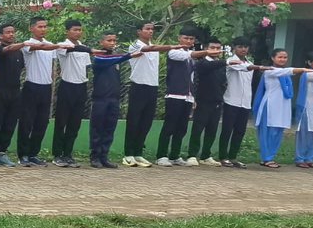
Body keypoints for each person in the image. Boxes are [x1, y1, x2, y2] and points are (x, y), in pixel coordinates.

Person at [154, 30, 221, 166]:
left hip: (188, 97)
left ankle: (174, 155)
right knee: (169, 127)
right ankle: (161, 155)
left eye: (191, 39)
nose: (189, 41)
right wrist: (207, 52)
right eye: (186, 38)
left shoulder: (191, 60)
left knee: (181, 128)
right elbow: (191, 54)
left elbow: (192, 78)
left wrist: (193, 97)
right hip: (174, 95)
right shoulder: (174, 52)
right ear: (179, 38)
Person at [122, 22, 174, 167]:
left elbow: (153, 48)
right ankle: (128, 154)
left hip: (152, 87)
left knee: (146, 122)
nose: (151, 31)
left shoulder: (154, 48)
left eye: (152, 29)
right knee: (134, 121)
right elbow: (149, 48)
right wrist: (173, 46)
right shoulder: (135, 46)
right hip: (138, 86)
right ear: (139, 31)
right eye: (147, 29)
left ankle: (138, 153)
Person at [254, 48, 313, 169]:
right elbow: (287, 71)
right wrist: (302, 69)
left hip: (283, 106)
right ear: (273, 58)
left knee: (278, 132)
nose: (282, 59)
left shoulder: (285, 74)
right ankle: (266, 158)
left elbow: (286, 73)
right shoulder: (269, 71)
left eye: (285, 57)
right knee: (267, 132)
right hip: (270, 105)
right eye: (280, 57)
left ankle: (271, 156)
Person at [16, 17, 64, 167]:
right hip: (31, 86)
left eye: (45, 26)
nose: (43, 29)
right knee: (26, 122)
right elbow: (40, 48)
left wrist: (52, 84)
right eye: (40, 26)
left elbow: (52, 66)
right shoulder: (28, 44)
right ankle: (23, 154)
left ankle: (33, 153)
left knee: (42, 122)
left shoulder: (50, 45)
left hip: (46, 87)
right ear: (31, 28)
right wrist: (60, 45)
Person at [87, 32, 138, 169]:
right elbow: (111, 60)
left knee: (109, 128)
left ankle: (104, 156)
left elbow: (116, 59)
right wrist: (129, 55)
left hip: (114, 98)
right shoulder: (99, 57)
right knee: (97, 127)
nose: (112, 43)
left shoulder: (116, 58)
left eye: (114, 40)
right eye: (109, 40)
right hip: (100, 98)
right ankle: (95, 156)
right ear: (101, 42)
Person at [50, 20, 92, 168]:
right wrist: (88, 49)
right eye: (75, 30)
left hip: (81, 87)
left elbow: (86, 67)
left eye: (80, 30)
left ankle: (68, 154)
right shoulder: (63, 46)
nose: (78, 32)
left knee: (75, 123)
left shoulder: (84, 48)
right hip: (67, 86)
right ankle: (57, 154)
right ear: (67, 31)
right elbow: (72, 49)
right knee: (62, 122)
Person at [0, 24, 29, 167]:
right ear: (1, 35)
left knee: (10, 123)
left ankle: (2, 152)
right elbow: (7, 49)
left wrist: (21, 46)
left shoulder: (19, 52)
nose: (11, 34)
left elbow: (21, 66)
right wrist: (23, 44)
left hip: (15, 91)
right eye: (8, 32)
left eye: (13, 32)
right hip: (1, 90)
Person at [185, 38, 226, 166]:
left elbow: (223, 83)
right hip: (202, 101)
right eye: (212, 48)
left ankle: (206, 155)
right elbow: (197, 80)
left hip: (217, 101)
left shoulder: (220, 65)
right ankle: (192, 155)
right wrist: (195, 99)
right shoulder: (201, 63)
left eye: (218, 48)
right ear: (206, 48)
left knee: (212, 130)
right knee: (198, 129)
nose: (215, 51)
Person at [219, 38, 259, 169]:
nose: (244, 49)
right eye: (240, 46)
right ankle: (223, 156)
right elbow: (243, 68)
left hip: (245, 102)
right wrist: (259, 67)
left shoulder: (250, 63)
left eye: (246, 47)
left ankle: (233, 156)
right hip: (231, 100)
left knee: (240, 131)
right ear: (234, 48)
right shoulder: (231, 61)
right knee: (227, 130)